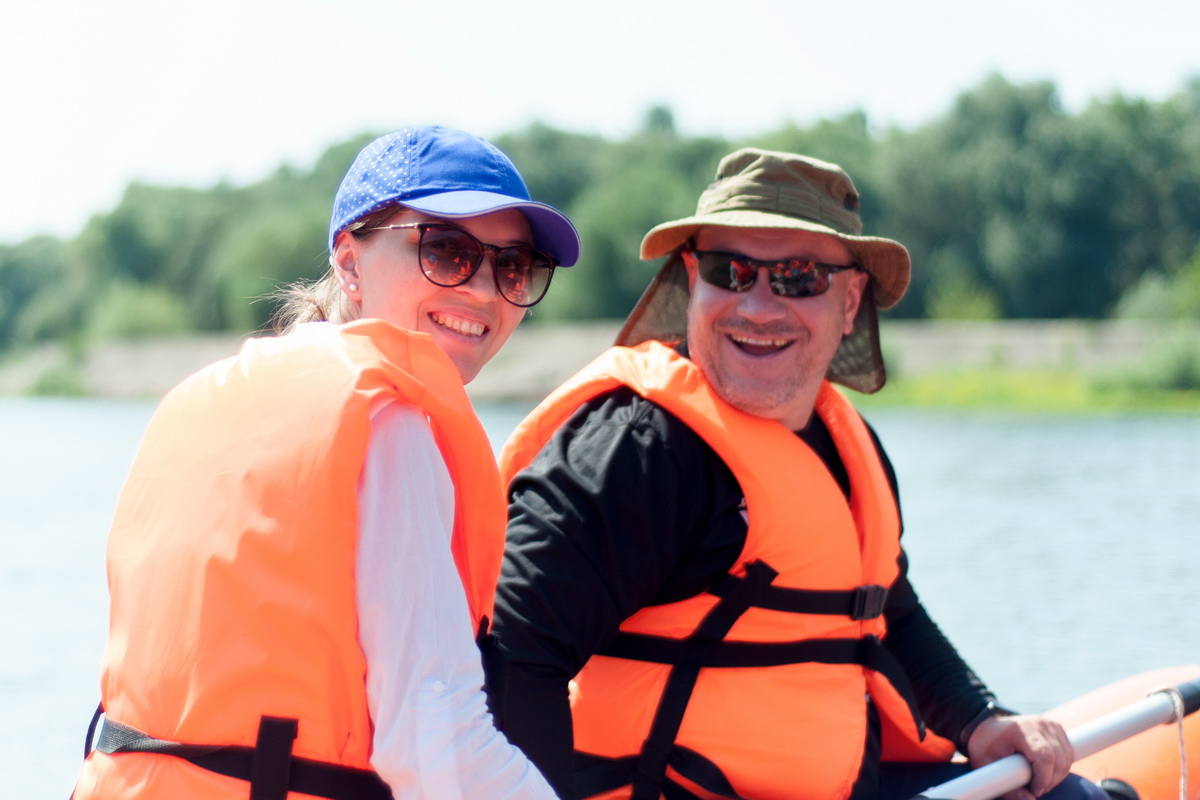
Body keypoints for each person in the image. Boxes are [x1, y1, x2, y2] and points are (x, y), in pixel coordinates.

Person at [490, 149, 1108, 800]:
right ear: (693, 280)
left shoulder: (845, 443)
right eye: (730, 272)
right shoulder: (642, 452)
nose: (758, 307)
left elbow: (887, 611)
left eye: (799, 277)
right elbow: (513, 649)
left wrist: (980, 718)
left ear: (851, 300)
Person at [71, 126, 578, 800]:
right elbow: (437, 744)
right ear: (349, 263)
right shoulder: (385, 420)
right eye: (447, 251)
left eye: (514, 267)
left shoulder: (194, 400)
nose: (485, 289)